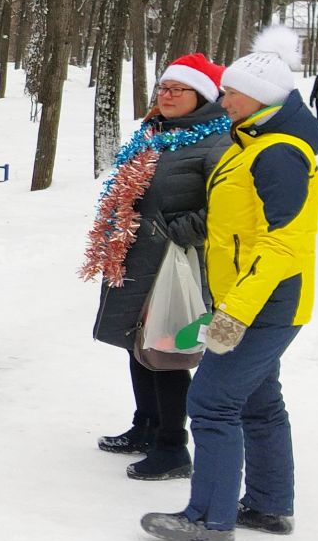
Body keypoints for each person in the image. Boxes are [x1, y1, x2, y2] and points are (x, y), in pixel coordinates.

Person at [142, 26, 318, 541]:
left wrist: (235, 313)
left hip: (264, 305)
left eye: (232, 92)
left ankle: (208, 520)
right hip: (250, 300)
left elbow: (285, 244)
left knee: (213, 401)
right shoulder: (255, 144)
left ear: (260, 98)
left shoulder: (279, 154)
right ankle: (269, 506)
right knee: (259, 404)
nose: (223, 98)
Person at [81, 53, 231, 480]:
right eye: (163, 88)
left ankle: (173, 447)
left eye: (176, 89)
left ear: (200, 95)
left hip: (176, 262)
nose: (166, 95)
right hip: (136, 253)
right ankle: (145, 425)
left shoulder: (217, 142)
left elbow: (224, 209)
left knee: (167, 348)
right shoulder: (153, 134)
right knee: (138, 341)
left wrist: (178, 230)